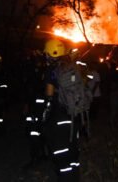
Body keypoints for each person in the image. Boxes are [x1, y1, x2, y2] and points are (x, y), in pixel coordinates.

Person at [42, 39, 82, 182]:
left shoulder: (52, 72)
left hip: (59, 117)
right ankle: (75, 178)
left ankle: (65, 179)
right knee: (72, 151)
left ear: (50, 54)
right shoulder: (72, 67)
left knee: (60, 152)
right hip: (74, 115)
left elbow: (49, 95)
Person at [22, 50, 48, 169]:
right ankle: (40, 155)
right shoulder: (33, 71)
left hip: (38, 108)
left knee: (36, 133)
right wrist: (27, 104)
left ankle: (36, 158)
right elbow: (28, 89)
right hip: (35, 107)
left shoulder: (45, 72)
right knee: (36, 132)